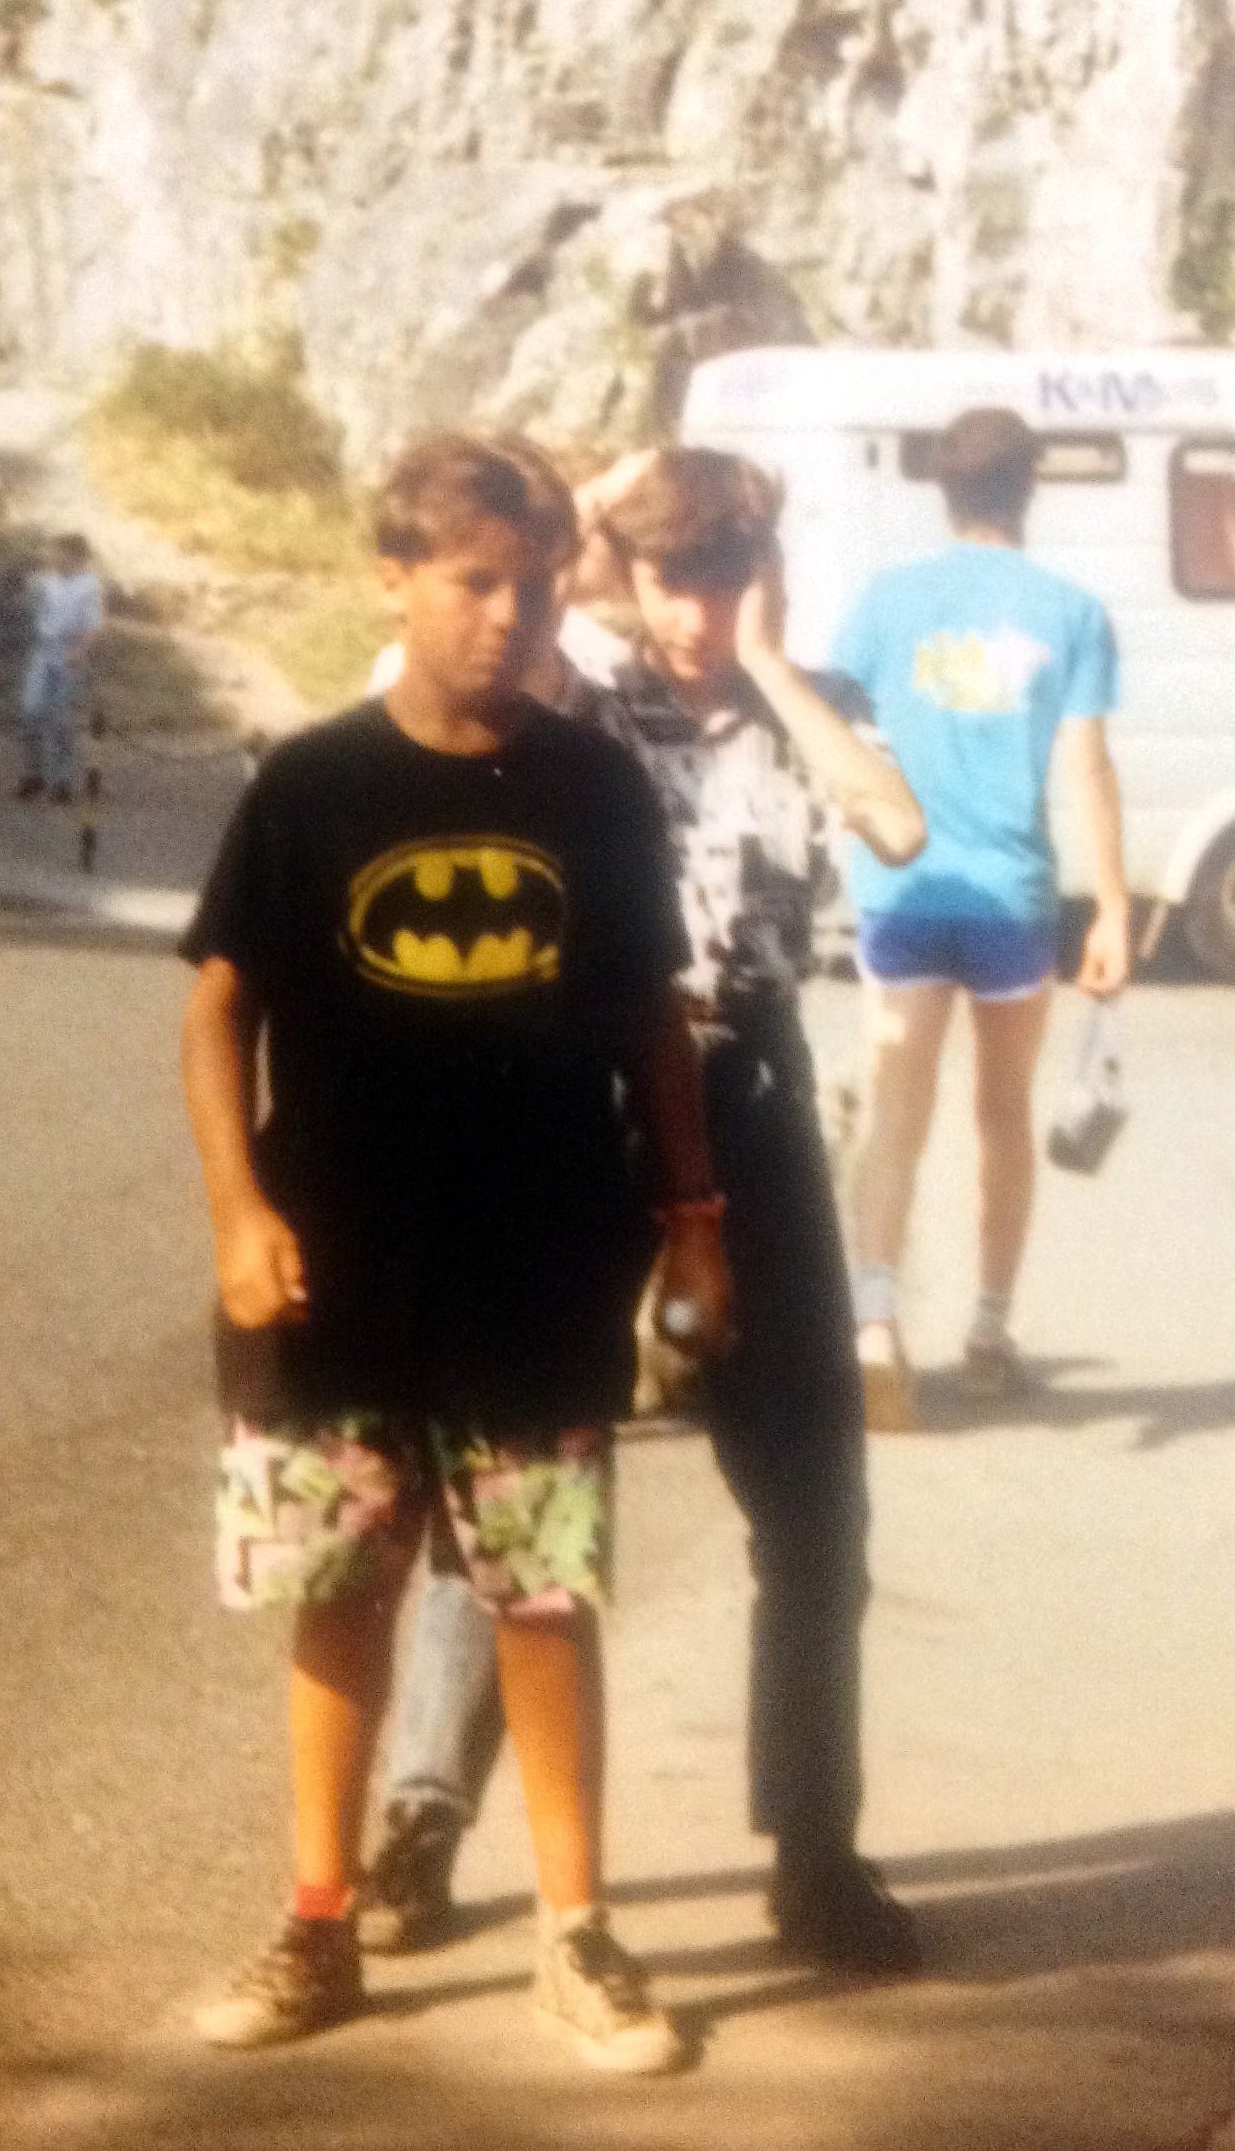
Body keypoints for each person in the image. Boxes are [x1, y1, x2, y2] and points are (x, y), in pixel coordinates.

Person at [180, 433, 734, 2070]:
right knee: (337, 1592)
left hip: (538, 1269)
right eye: (473, 581)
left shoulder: (592, 786)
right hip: (334, 1273)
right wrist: (237, 1210)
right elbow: (218, 1005)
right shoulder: (312, 782)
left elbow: (651, 1022)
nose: (507, 616)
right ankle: (314, 1921)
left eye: (536, 584)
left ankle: (577, 1934)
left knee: (541, 1600)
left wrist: (694, 1230)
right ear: (395, 581)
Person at [360, 446, 930, 1979]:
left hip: (747, 1103)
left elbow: (890, 828)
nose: (697, 607)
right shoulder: (577, 692)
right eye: (674, 574)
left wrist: (763, 660)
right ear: (629, 572)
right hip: (580, 1106)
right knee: (517, 1488)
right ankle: (420, 1817)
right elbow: (469, 644)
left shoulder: (815, 705)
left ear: (766, 574)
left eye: (727, 572)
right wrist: (595, 521)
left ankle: (814, 1852)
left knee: (813, 1501)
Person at [833, 409, 1130, 1431]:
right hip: (1012, 896)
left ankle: (874, 1322)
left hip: (903, 887)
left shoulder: (884, 602)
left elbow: (838, 734)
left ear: (943, 489)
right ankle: (990, 1331)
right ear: (1029, 486)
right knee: (1001, 1114)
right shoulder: (1071, 610)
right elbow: (1086, 763)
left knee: (895, 1107)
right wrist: (1118, 910)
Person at [17, 532, 103, 803]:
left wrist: (79, 652)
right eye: (53, 553)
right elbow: (32, 606)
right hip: (44, 651)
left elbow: (92, 626)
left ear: (75, 556)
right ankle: (33, 774)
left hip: (70, 654)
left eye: (60, 553)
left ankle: (62, 779)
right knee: (31, 710)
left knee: (61, 720)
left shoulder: (90, 586)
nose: (54, 558)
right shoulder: (46, 581)